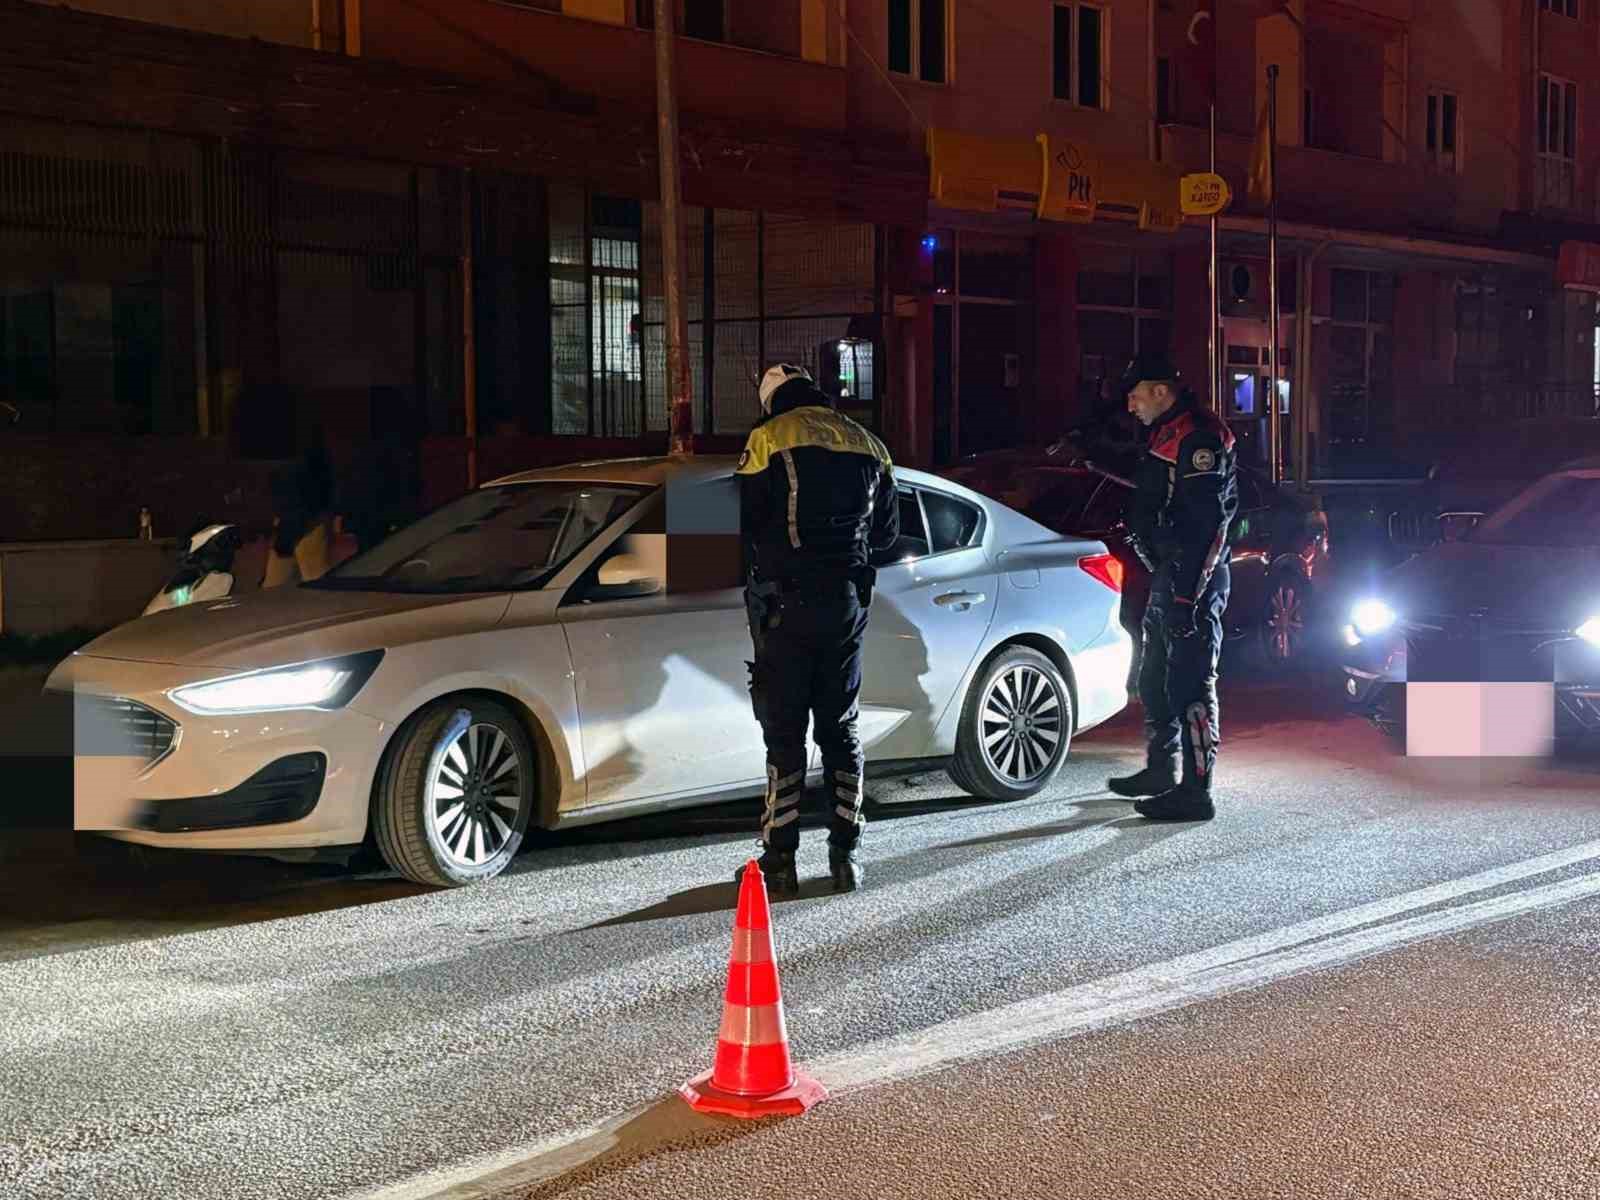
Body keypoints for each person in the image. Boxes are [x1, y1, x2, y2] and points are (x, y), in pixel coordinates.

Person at [735, 363, 899, 895]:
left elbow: (742, 526)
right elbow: (888, 534)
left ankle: (779, 861)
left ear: (771, 400)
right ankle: (846, 855)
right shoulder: (868, 442)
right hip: (847, 604)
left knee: (785, 734)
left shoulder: (766, 438)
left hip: (785, 607)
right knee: (841, 729)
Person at [1107, 352, 1239, 821]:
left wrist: (1187, 595)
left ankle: (1196, 792)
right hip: (1168, 575)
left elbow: (1208, 523)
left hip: (1193, 580)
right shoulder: (1167, 432)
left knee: (1191, 685)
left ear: (1160, 391)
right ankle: (1161, 770)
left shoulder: (1198, 436)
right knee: (1155, 678)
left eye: (1135, 393)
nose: (1130, 404)